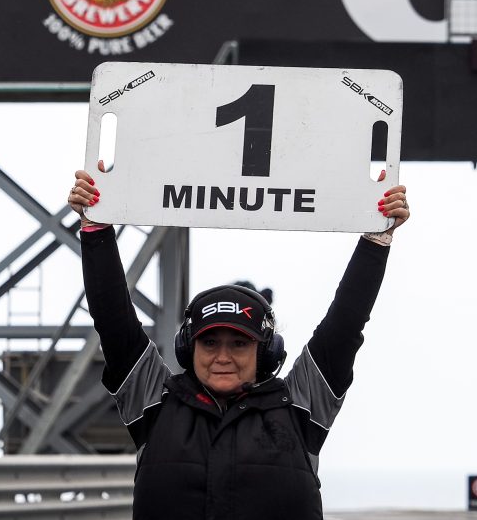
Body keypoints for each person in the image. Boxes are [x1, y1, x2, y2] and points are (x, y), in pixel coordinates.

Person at [67, 162, 409, 519]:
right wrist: (95, 227)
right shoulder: (154, 402)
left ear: (266, 352)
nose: (223, 357)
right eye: (210, 343)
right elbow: (113, 321)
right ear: (189, 348)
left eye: (240, 344)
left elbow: (345, 324)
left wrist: (377, 237)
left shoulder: (301, 406)